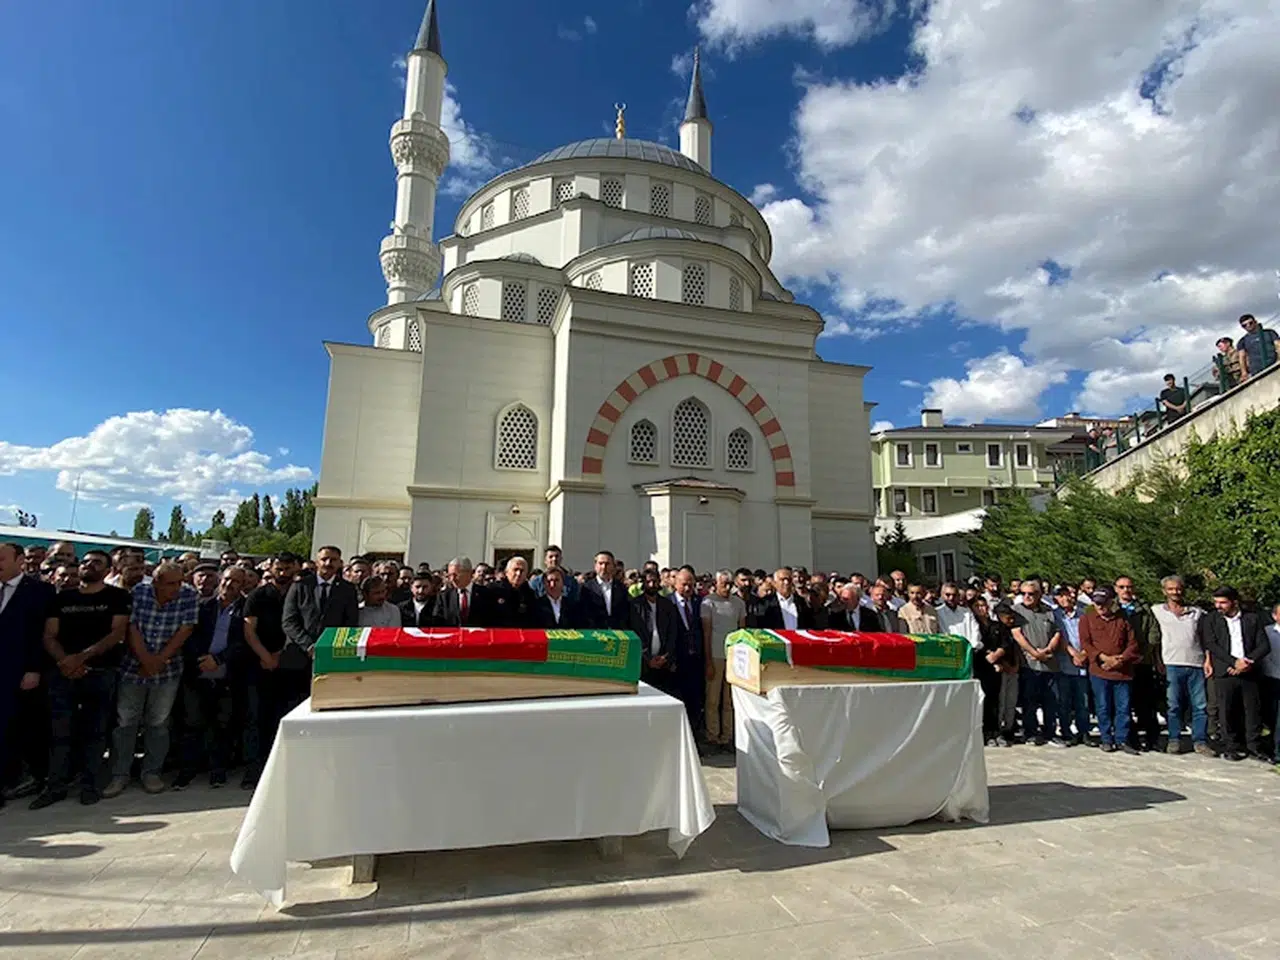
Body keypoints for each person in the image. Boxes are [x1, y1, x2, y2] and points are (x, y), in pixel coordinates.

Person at [31, 551, 130, 809]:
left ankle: (90, 785)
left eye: (96, 562)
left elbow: (117, 633)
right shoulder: (61, 598)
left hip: (100, 673)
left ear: (108, 569)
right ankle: (55, 786)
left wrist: (82, 658)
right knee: (59, 733)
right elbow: (49, 635)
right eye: (85, 562)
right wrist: (66, 661)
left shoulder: (117, 597)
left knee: (95, 733)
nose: (88, 566)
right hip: (62, 673)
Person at [104, 562, 200, 797]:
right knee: (126, 722)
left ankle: (152, 772)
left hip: (167, 670)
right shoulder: (139, 592)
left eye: (179, 582)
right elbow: (132, 628)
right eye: (170, 584)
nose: (176, 588)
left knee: (158, 723)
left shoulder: (189, 595)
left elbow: (185, 630)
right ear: (156, 581)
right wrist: (146, 660)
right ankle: (119, 774)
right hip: (133, 668)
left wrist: (158, 661)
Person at [174, 566, 247, 790]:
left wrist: (219, 659)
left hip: (227, 675)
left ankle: (218, 772)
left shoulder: (245, 609)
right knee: (192, 724)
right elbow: (188, 636)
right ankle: (186, 771)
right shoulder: (203, 606)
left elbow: (243, 642)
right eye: (226, 579)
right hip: (198, 673)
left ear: (242, 586)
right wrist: (201, 659)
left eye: (235, 581)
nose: (228, 584)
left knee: (222, 726)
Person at [239, 551, 299, 788]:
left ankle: (284, 769)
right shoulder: (257, 595)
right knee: (256, 718)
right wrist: (266, 655)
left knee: (284, 716)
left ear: (295, 568)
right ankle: (255, 769)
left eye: (287, 568)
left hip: (290, 663)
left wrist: (282, 654)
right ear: (271, 568)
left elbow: (299, 625)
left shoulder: (299, 593)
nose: (283, 573)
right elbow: (249, 630)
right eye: (279, 568)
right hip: (259, 664)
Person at [0, 544, 54, 805]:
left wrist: (34, 668)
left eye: (1, 558)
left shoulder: (40, 591)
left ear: (20, 560)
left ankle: (18, 778)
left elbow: (40, 634)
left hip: (20, 670)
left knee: (15, 725)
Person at [280, 545, 360, 712]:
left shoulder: (347, 589)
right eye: (324, 559)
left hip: (330, 658)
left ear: (340, 563)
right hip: (298, 656)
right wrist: (309, 646)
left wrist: (327, 648)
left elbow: (350, 623)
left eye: (333, 560)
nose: (328, 563)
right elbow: (289, 621)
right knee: (294, 706)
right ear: (317, 562)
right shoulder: (300, 586)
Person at [1199, 585, 1270, 761]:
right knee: (1226, 710)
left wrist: (1247, 661)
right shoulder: (1211, 620)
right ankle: (1231, 746)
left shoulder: (1252, 619)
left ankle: (1253, 746)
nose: (1218, 606)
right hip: (1225, 670)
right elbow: (1212, 644)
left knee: (1252, 710)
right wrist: (1233, 662)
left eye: (1223, 602)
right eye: (1216, 602)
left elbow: (1263, 645)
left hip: (1249, 670)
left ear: (1234, 602)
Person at [1152, 575, 1211, 756]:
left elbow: (1206, 638)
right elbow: (1154, 640)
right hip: (1171, 664)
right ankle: (1174, 740)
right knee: (1173, 705)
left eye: (1178, 588)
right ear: (1164, 591)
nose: (1175, 592)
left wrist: (1208, 660)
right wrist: (1157, 662)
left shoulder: (1197, 613)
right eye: (1170, 589)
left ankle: (1200, 741)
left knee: (1200, 706)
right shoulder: (1157, 611)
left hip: (1196, 663)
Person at [1080, 585, 1140, 754]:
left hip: (1123, 671)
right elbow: (1086, 643)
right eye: (1097, 603)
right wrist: (1103, 658)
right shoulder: (1087, 618)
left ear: (1112, 602)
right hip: (1100, 669)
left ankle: (1122, 739)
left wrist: (1120, 660)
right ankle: (1106, 739)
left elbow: (1133, 644)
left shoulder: (1124, 619)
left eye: (1103, 603)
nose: (1100, 607)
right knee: (1103, 706)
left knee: (1124, 707)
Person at [1010, 578, 1061, 747]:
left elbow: (1057, 633)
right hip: (1029, 665)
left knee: (1051, 701)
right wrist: (1034, 653)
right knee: (1029, 701)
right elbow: (1017, 635)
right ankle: (1030, 733)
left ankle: (1050, 732)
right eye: (1023, 593)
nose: (1027, 596)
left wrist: (1048, 650)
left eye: (1031, 594)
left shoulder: (1049, 611)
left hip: (1049, 663)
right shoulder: (1016, 611)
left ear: (1039, 595)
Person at [1114, 576, 1163, 751]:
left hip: (1141, 661)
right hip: (1119, 663)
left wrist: (1144, 653)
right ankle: (1129, 738)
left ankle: (1153, 739)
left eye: (1129, 587)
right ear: (1116, 589)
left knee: (1146, 703)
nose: (1126, 590)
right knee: (1123, 703)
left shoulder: (1144, 609)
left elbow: (1154, 632)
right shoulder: (1112, 608)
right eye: (1122, 587)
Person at [701, 570, 745, 752]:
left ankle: (727, 737)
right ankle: (713, 735)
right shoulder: (708, 602)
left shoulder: (739, 603)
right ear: (716, 583)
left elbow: (742, 631)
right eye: (723, 583)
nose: (727, 587)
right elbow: (706, 632)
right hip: (716, 655)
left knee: (729, 700)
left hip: (734, 656)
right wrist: (708, 660)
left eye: (729, 584)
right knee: (712, 699)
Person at [1052, 585, 1091, 747]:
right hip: (1063, 665)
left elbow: (1090, 637)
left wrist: (1083, 654)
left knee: (1084, 701)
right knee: (1064, 701)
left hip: (1082, 665)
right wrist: (1073, 653)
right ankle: (1066, 732)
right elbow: (1059, 637)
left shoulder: (1084, 614)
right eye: (1061, 596)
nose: (1065, 599)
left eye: (1068, 595)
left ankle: (1084, 732)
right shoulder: (1054, 616)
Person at [629, 569, 677, 691]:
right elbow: (634, 632)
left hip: (664, 662)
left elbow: (672, 632)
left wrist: (665, 656)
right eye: (648, 581)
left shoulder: (667, 605)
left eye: (655, 581)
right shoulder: (635, 605)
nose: (652, 585)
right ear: (643, 583)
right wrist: (647, 658)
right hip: (643, 663)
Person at [670, 567, 704, 733]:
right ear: (675, 583)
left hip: (696, 659)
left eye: (691, 585)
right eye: (684, 584)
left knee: (695, 701)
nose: (688, 588)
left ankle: (695, 738)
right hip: (677, 660)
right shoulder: (667, 603)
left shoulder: (699, 603)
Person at [472, 556, 538, 627]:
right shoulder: (492, 590)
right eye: (515, 570)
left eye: (522, 571)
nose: (518, 574)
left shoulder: (530, 594)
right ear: (506, 572)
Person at [991, 603, 1023, 745]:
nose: (1011, 621)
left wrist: (1015, 665)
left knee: (1011, 701)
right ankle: (998, 730)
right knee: (1001, 702)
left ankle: (1009, 729)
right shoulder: (995, 630)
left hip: (1014, 670)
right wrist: (1005, 666)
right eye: (1008, 618)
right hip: (1002, 670)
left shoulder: (1013, 631)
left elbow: (1015, 650)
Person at [582, 551, 631, 630]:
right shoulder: (586, 588)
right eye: (600, 563)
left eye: (607, 564)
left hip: (618, 634)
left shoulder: (621, 588)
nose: (604, 567)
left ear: (613, 566)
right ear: (595, 566)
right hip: (595, 634)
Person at [432, 556, 481, 627]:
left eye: (455, 575)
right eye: (449, 575)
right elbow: (437, 621)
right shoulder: (444, 596)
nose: (452, 579)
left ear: (468, 572)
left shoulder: (486, 594)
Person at [1261, 604, 1280, 769]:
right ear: (1274, 616)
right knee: (1272, 717)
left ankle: (1278, 753)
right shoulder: (1267, 632)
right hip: (1271, 679)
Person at [1237, 313, 1279, 380]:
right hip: (1257, 372)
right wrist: (1244, 372)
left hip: (1274, 366)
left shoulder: (1269, 333)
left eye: (1250, 323)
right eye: (1244, 325)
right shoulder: (1242, 341)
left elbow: (1278, 346)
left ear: (1255, 322)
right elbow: (1242, 358)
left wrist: (1278, 361)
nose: (1248, 326)